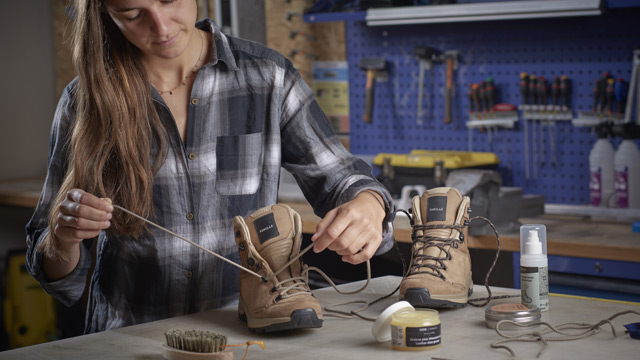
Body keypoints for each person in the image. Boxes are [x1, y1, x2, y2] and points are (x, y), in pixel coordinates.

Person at [25, 0, 394, 334]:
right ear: (105, 14)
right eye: (133, 15)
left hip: (248, 335)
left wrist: (368, 205)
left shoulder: (269, 77)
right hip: (131, 339)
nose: (162, 26)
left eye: (169, 1)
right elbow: (56, 276)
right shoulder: (84, 101)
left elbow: (341, 179)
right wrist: (62, 238)